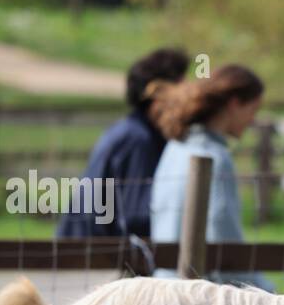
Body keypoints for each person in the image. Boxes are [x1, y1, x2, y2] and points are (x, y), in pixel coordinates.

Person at [149, 65, 274, 291]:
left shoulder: (175, 146)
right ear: (235, 103)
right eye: (253, 110)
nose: (253, 120)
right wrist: (261, 291)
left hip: (163, 288)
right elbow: (225, 237)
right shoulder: (216, 158)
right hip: (198, 295)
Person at [56, 48, 189, 238]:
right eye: (182, 91)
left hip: (90, 253)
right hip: (95, 258)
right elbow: (137, 218)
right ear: (158, 94)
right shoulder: (138, 140)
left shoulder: (130, 130)